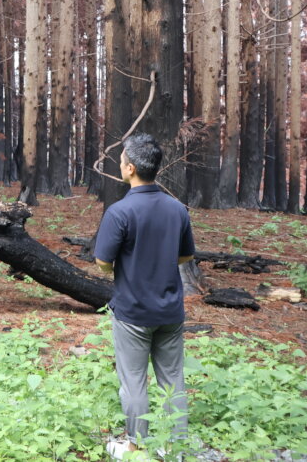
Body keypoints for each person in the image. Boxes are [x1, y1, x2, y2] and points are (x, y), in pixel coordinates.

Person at [94, 133, 196, 460]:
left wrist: (126, 266)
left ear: (131, 169)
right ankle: (175, 448)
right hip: (170, 311)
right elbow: (185, 256)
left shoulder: (120, 212)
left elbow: (102, 262)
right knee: (172, 381)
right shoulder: (177, 209)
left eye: (122, 160)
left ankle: (135, 448)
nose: (120, 164)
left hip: (133, 313)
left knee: (134, 381)